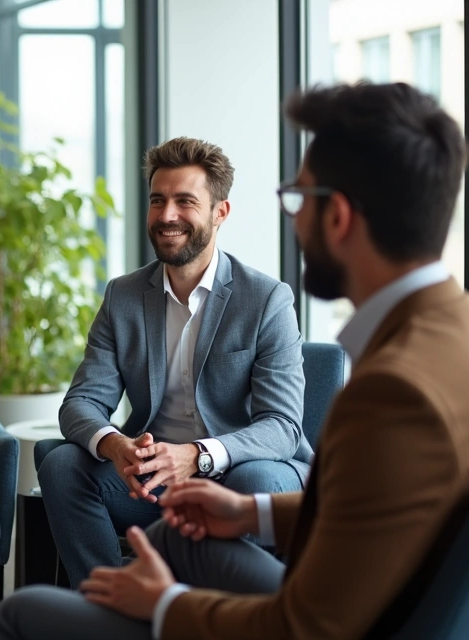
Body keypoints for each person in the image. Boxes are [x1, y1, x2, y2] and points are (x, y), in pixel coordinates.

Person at [0, 82, 469, 639]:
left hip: (346, 619)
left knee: (18, 613)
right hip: (384, 596)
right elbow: (368, 511)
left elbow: (304, 625)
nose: (293, 220)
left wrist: (165, 606)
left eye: (299, 199)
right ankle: (110, 599)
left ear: (336, 217)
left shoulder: (392, 389)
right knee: (171, 538)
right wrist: (253, 517)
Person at [39, 136, 312, 579]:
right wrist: (117, 447)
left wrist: (197, 455)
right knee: (62, 464)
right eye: (157, 201)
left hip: (243, 471)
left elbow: (281, 427)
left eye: (185, 201)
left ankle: (214, 617)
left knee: (254, 483)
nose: (167, 216)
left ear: (219, 213)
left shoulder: (266, 299)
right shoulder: (123, 296)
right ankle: (106, 609)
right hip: (153, 481)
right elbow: (80, 404)